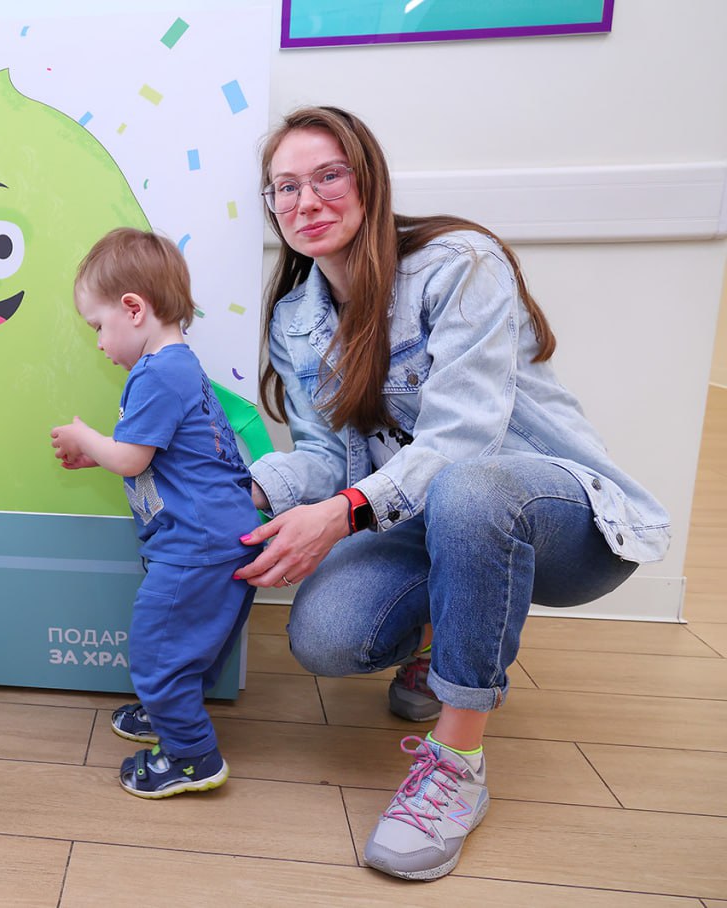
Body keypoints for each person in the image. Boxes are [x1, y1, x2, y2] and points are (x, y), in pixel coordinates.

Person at [237, 107, 670, 880]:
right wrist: (250, 491)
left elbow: (462, 442)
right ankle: (441, 631)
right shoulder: (296, 321)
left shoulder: (457, 263)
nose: (307, 201)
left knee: (468, 490)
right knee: (325, 636)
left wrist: (340, 516)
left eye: (328, 176)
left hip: (557, 515)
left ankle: (456, 764)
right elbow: (324, 457)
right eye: (286, 187)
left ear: (368, 179)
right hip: (424, 518)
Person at [50, 228, 261, 799]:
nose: (98, 343)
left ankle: (193, 757)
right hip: (218, 538)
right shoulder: (177, 367)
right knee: (187, 646)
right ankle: (173, 717)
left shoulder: (158, 372)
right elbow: (157, 460)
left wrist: (86, 438)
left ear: (134, 309)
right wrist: (98, 458)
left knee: (156, 650)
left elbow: (129, 456)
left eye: (97, 327)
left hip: (196, 546)